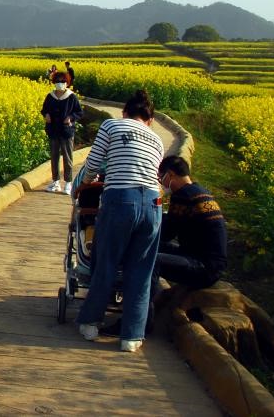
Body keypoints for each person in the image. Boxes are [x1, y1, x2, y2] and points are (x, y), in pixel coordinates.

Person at [74, 89, 164, 353]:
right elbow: (153, 175)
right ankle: (132, 337)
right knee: (141, 270)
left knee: (106, 262)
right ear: (149, 119)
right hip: (152, 204)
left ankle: (91, 323)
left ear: (125, 112)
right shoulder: (157, 139)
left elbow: (93, 162)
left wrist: (85, 183)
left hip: (120, 200)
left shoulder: (111, 125)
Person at [155, 154, 227, 291]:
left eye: (161, 178)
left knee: (151, 260)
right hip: (213, 264)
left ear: (170, 174)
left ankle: (146, 308)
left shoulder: (183, 196)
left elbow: (167, 232)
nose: (161, 183)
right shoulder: (199, 191)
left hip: (203, 267)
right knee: (155, 247)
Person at [41, 73, 82, 194]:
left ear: (67, 82)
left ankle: (68, 183)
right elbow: (44, 109)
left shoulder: (71, 97)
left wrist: (71, 117)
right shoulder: (50, 96)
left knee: (67, 157)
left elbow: (79, 112)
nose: (60, 83)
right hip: (53, 130)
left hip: (66, 131)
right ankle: (56, 182)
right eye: (57, 81)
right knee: (54, 157)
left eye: (62, 81)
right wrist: (46, 115)